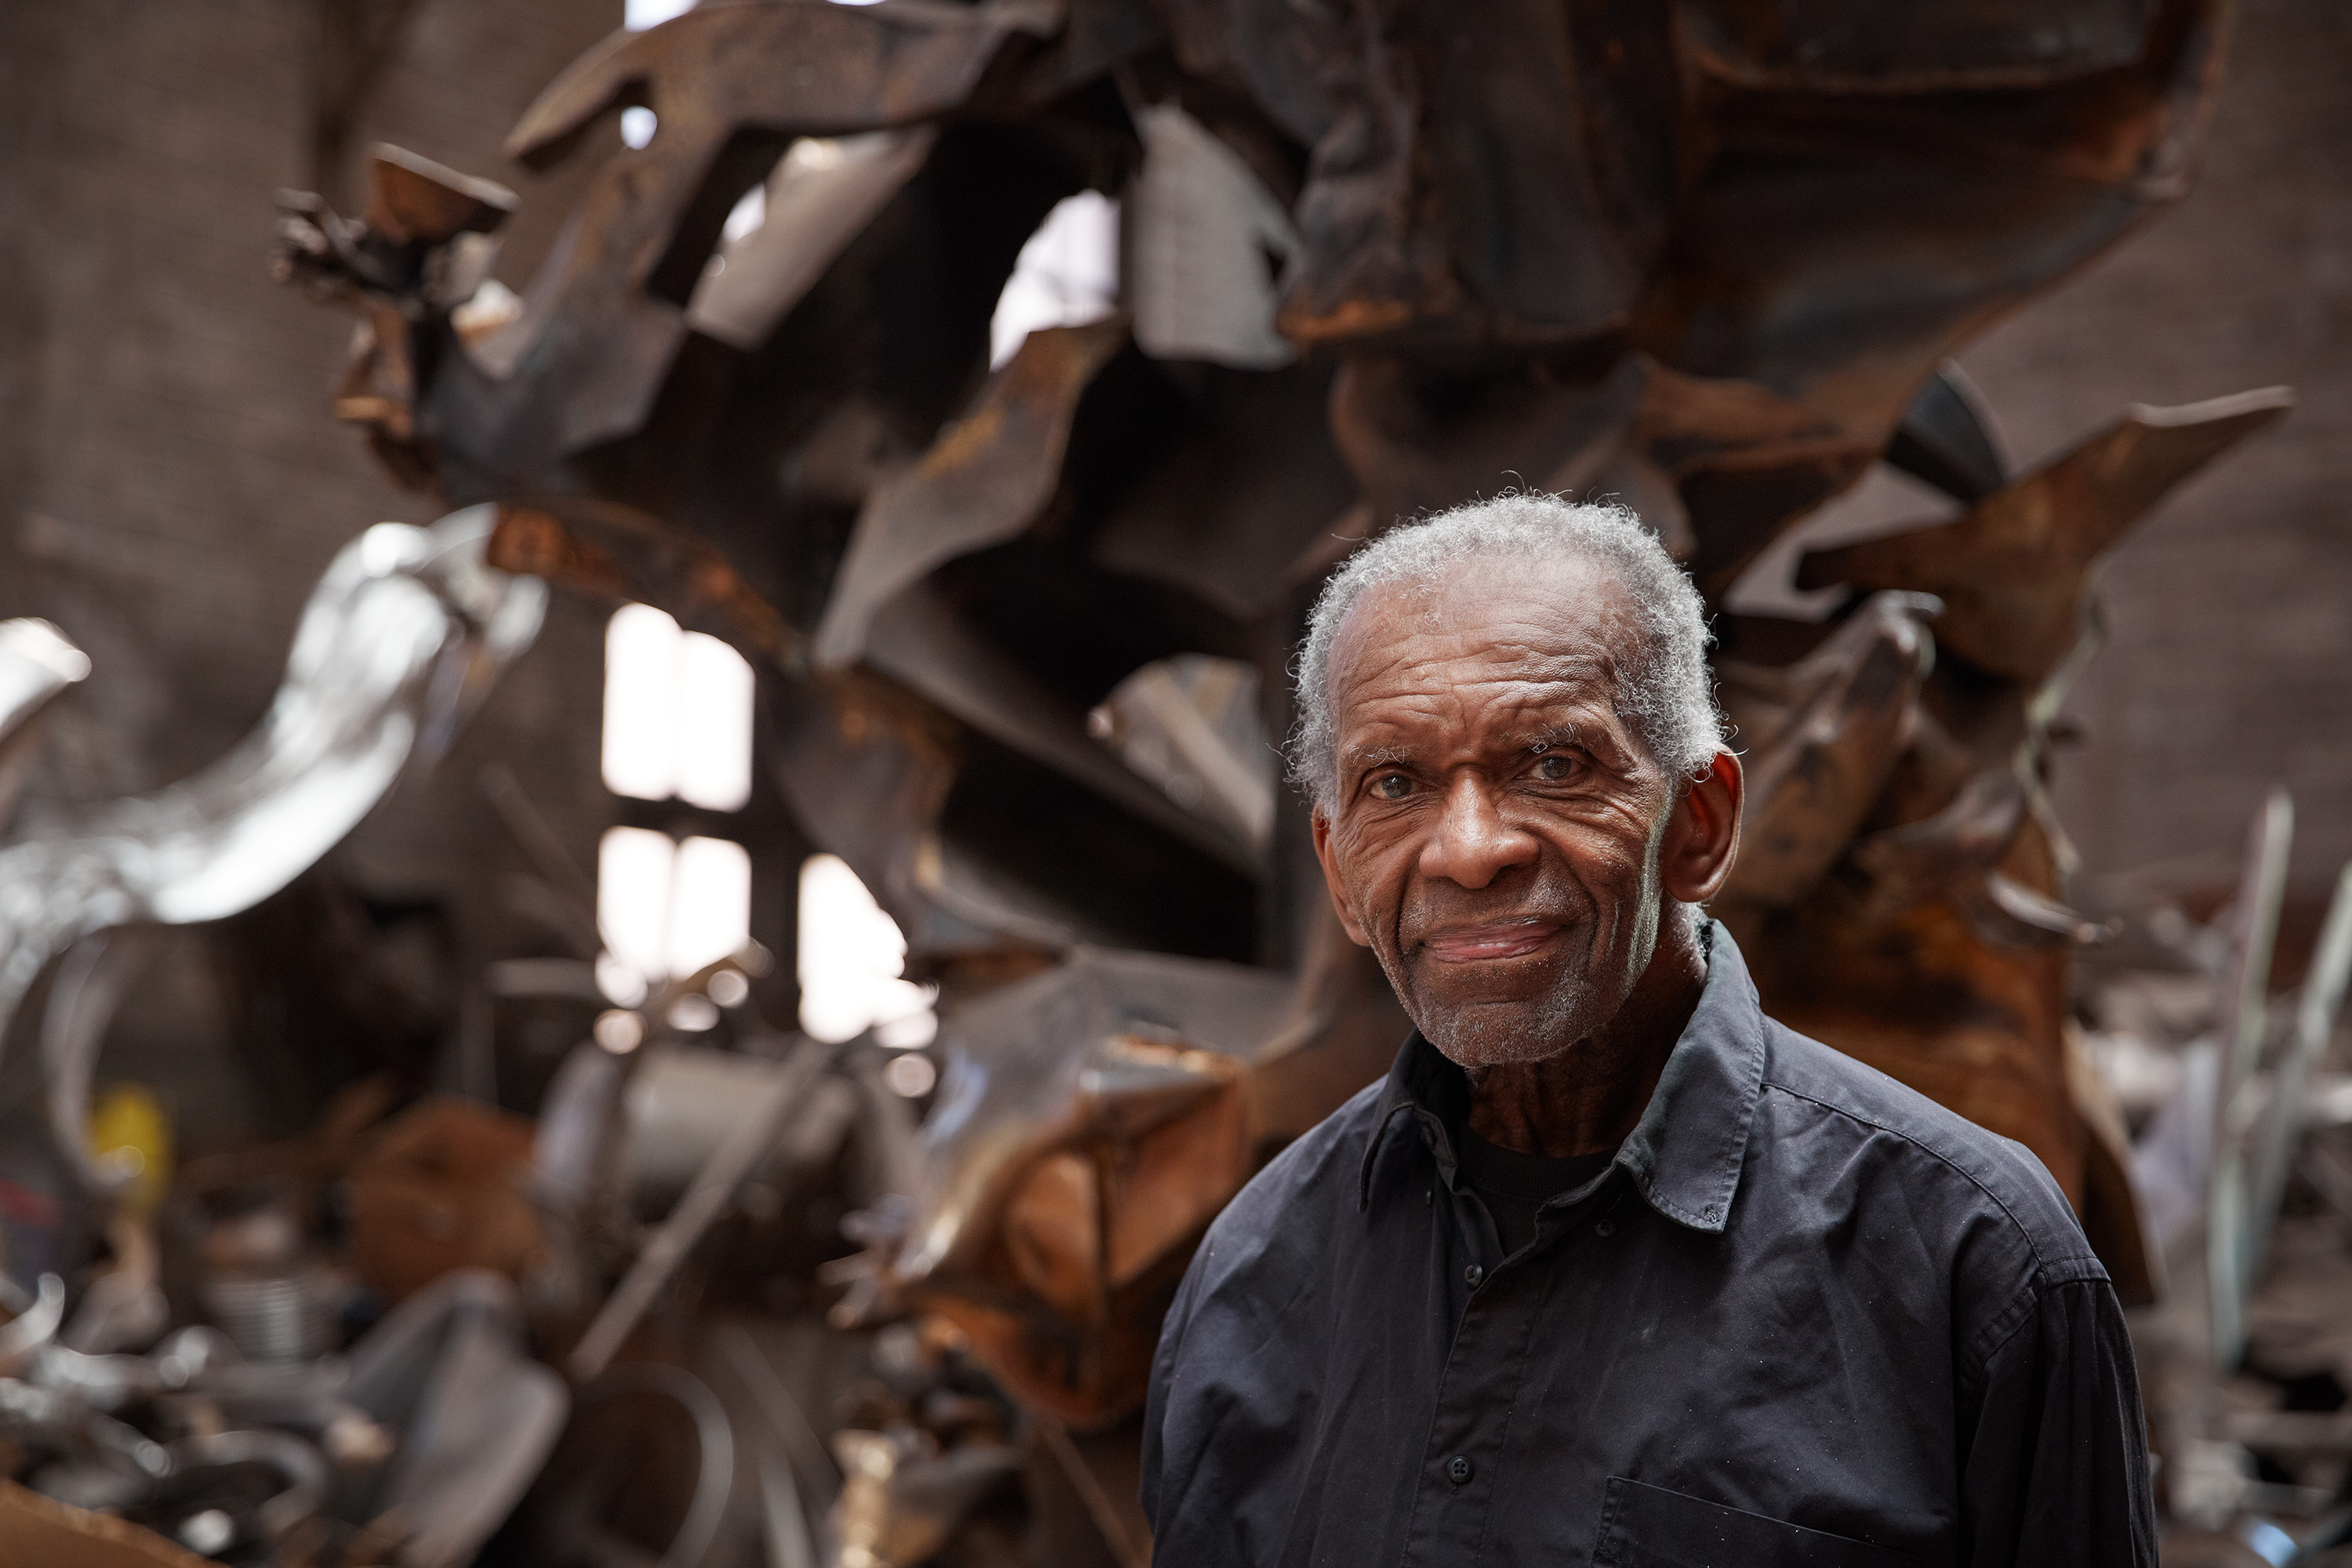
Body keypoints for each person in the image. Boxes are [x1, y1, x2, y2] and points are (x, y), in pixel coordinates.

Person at [1140, 495, 2154, 1566]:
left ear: (1700, 825)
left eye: (1556, 767)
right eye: (1396, 784)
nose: (1471, 848)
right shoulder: (1254, 1273)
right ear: (1339, 869)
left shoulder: (1971, 1264)